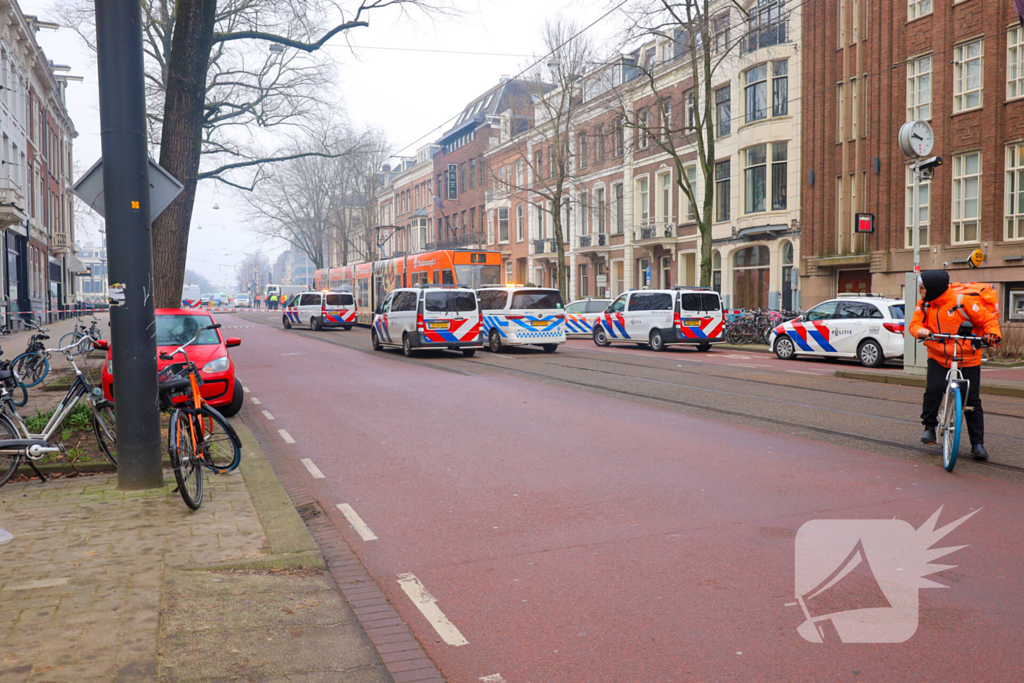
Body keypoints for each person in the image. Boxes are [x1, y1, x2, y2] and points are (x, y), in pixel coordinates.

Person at [908, 270, 1001, 460]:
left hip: (967, 358)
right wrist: (922, 331)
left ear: (933, 288)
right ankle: (929, 428)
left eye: (922, 288)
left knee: (972, 401)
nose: (920, 291)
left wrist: (992, 334)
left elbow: (988, 320)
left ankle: (977, 444)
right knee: (933, 389)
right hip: (938, 357)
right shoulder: (925, 304)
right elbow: (914, 324)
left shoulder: (963, 302)